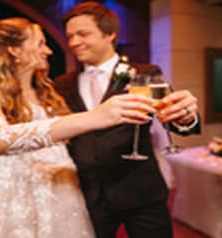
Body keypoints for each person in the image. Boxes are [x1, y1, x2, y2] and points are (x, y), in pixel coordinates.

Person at [0, 17, 156, 238]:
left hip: (64, 195)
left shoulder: (50, 93)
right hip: (16, 198)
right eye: (40, 43)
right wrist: (95, 116)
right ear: (15, 50)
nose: (48, 51)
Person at [54, 2, 201, 237]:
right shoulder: (61, 84)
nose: (73, 43)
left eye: (83, 34)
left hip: (141, 192)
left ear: (110, 34)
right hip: (88, 195)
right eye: (70, 36)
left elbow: (171, 116)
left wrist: (185, 118)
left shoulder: (145, 72)